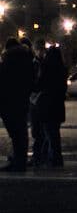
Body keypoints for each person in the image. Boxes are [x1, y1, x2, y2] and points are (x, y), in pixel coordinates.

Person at [30, 41, 68, 168]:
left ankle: (52, 159)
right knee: (54, 134)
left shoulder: (46, 67)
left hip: (46, 106)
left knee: (49, 134)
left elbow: (39, 85)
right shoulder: (62, 69)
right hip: (58, 106)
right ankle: (56, 158)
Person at [0, 36, 36, 171]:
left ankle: (18, 161)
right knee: (21, 132)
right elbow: (32, 81)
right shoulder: (27, 60)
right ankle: (20, 160)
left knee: (15, 133)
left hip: (8, 101)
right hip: (22, 101)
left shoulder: (8, 61)